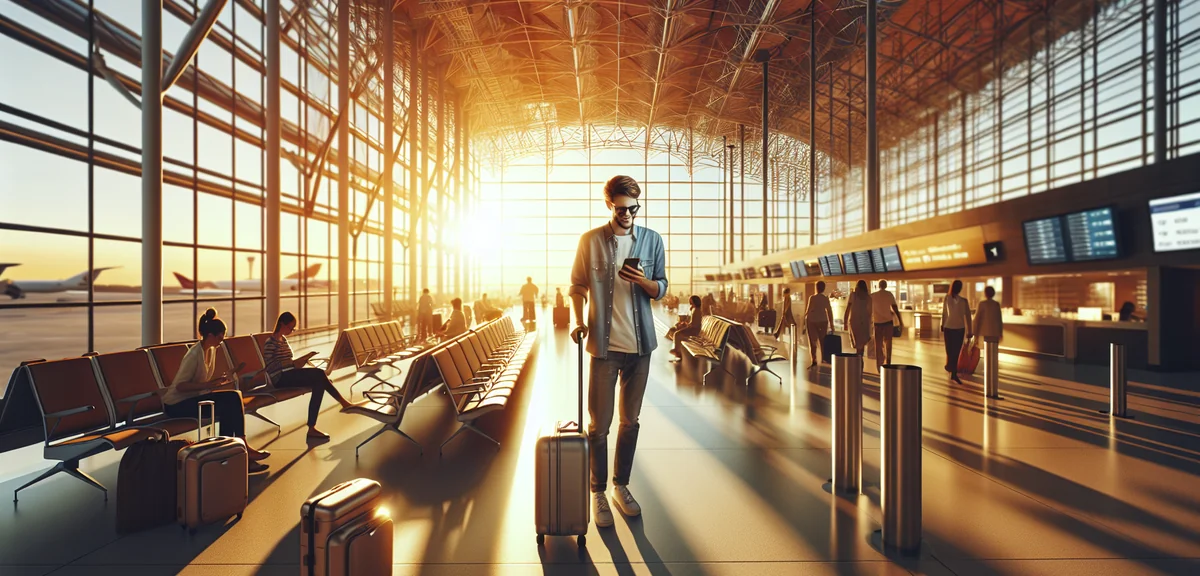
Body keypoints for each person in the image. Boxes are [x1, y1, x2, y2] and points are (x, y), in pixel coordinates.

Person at [569, 175, 667, 529]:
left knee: (630, 422)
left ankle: (619, 486)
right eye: (621, 208)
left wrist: (641, 281)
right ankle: (597, 491)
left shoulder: (653, 240)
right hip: (603, 346)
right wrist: (578, 321)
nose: (628, 214)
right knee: (599, 425)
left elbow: (661, 289)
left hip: (641, 347)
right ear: (609, 204)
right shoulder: (591, 241)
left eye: (634, 208)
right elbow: (577, 285)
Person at [163, 309, 270, 473]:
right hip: (177, 404)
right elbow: (180, 386)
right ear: (211, 335)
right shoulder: (193, 355)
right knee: (232, 400)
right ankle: (237, 451)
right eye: (220, 337)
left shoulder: (210, 350)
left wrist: (215, 383)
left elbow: (201, 382)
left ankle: (230, 454)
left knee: (232, 400)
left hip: (194, 398)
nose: (222, 341)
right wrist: (209, 385)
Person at [263, 312, 353, 439]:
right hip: (279, 379)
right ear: (282, 324)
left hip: (289, 374)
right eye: (291, 327)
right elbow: (270, 367)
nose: (292, 331)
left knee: (319, 381)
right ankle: (342, 402)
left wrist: (301, 361)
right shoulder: (270, 342)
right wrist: (292, 363)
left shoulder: (284, 341)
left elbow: (290, 364)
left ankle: (312, 427)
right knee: (319, 375)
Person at [941, 280, 973, 385]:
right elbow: (944, 313)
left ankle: (953, 372)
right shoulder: (947, 298)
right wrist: (942, 324)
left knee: (956, 351)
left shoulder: (964, 301)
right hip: (949, 327)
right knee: (949, 351)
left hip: (959, 328)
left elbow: (968, 316)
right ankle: (951, 368)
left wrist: (970, 330)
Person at [871, 280, 903, 369]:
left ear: (878, 286)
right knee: (888, 344)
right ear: (886, 285)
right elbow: (895, 308)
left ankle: (879, 365)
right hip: (888, 323)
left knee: (878, 345)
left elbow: (868, 309)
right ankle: (888, 362)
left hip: (877, 323)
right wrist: (900, 321)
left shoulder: (873, 296)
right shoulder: (889, 294)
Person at [803, 281, 835, 367]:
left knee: (812, 341)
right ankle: (824, 357)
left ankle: (814, 359)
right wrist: (831, 324)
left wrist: (803, 322)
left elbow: (808, 310)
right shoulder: (825, 298)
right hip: (823, 321)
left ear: (816, 288)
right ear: (823, 288)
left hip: (812, 321)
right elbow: (829, 311)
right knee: (823, 340)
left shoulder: (812, 298)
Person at [670, 295, 705, 362]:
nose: (689, 303)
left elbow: (694, 324)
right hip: (693, 329)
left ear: (694, 302)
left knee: (677, 334)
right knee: (676, 332)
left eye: (691, 302)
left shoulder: (696, 311)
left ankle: (677, 352)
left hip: (694, 331)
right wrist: (684, 324)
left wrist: (685, 325)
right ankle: (677, 350)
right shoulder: (694, 309)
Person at [843, 280, 873, 356]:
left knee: (857, 343)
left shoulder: (853, 295)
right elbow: (870, 312)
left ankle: (858, 359)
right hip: (864, 321)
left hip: (854, 321)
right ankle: (860, 358)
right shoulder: (868, 297)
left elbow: (848, 308)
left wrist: (845, 321)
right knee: (862, 343)